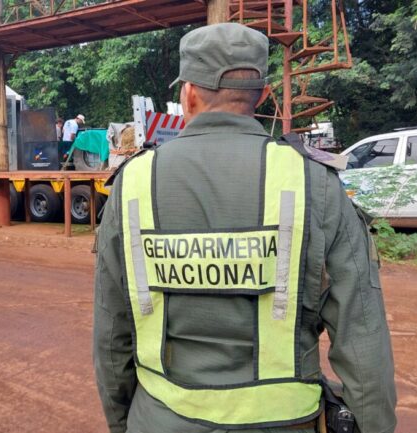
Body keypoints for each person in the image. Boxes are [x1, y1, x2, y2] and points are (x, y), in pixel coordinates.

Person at [93, 23, 396, 433]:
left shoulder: (133, 185)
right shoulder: (314, 184)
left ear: (189, 94)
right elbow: (363, 342)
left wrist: (123, 424)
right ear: (264, 95)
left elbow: (113, 338)